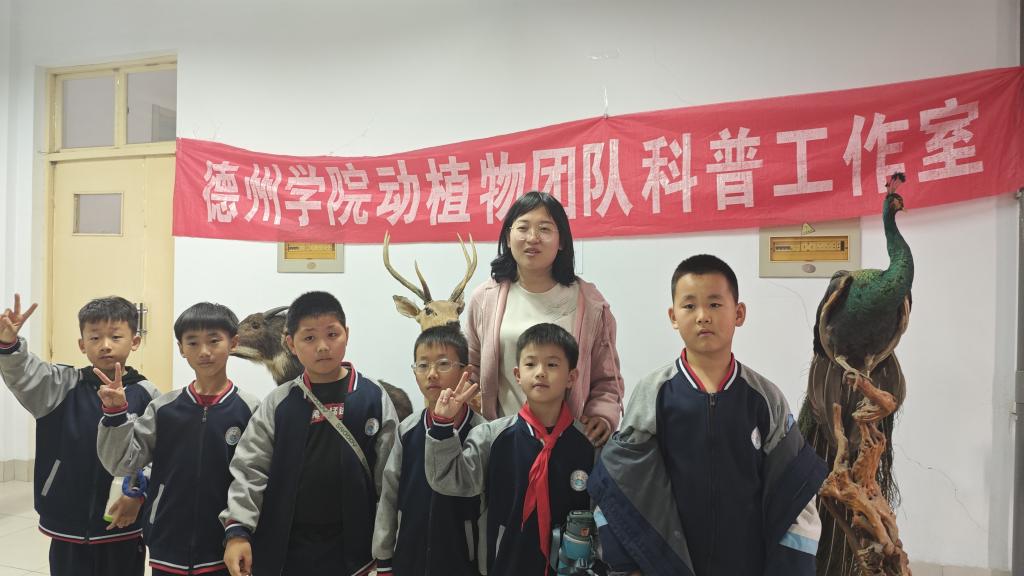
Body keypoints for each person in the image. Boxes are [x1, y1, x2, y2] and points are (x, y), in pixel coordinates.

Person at [588, 255, 827, 576]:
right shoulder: (653, 393)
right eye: (689, 306)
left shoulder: (765, 398)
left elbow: (796, 494)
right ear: (673, 316)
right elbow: (620, 485)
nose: (703, 316)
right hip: (670, 566)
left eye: (715, 304)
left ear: (738, 313)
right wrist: (629, 565)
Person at [221, 291, 398, 576]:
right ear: (290, 343)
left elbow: (389, 480)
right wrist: (238, 531)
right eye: (310, 338)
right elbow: (250, 469)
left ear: (347, 334)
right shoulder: (278, 403)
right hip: (286, 552)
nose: (323, 347)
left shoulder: (372, 398)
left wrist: (387, 551)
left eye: (332, 334)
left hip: (357, 554)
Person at [96, 302, 260, 576]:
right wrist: (115, 415)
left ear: (234, 343)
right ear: (181, 348)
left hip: (225, 545)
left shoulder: (250, 409)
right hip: (167, 543)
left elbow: (253, 478)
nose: (204, 351)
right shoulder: (164, 408)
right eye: (192, 342)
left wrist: (239, 531)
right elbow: (121, 463)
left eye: (214, 341)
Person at [0, 294, 158, 576]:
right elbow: (25, 373)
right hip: (67, 520)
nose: (105, 345)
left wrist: (139, 493)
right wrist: (9, 345)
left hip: (122, 520)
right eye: (95, 337)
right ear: (82, 344)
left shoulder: (148, 394)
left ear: (134, 341)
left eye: (115, 336)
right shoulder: (60, 384)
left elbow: (157, 454)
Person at [426, 323, 595, 576]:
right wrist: (442, 426)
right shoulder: (491, 437)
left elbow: (602, 514)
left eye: (552, 364)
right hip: (506, 565)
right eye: (530, 364)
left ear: (571, 377)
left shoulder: (589, 445)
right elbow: (448, 480)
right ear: (517, 374)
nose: (540, 373)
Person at [465, 191, 623, 446]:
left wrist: (603, 415)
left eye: (545, 229)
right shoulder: (484, 299)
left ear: (561, 241)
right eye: (523, 228)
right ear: (508, 237)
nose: (532, 238)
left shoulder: (590, 302)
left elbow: (606, 379)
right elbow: (471, 369)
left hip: (567, 443)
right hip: (502, 442)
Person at [372, 325, 486, 576]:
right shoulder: (408, 430)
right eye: (423, 365)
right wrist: (384, 558)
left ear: (465, 372)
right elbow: (390, 496)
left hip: (462, 562)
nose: (432, 374)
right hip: (408, 559)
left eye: (443, 364)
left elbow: (487, 508)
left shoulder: (482, 432)